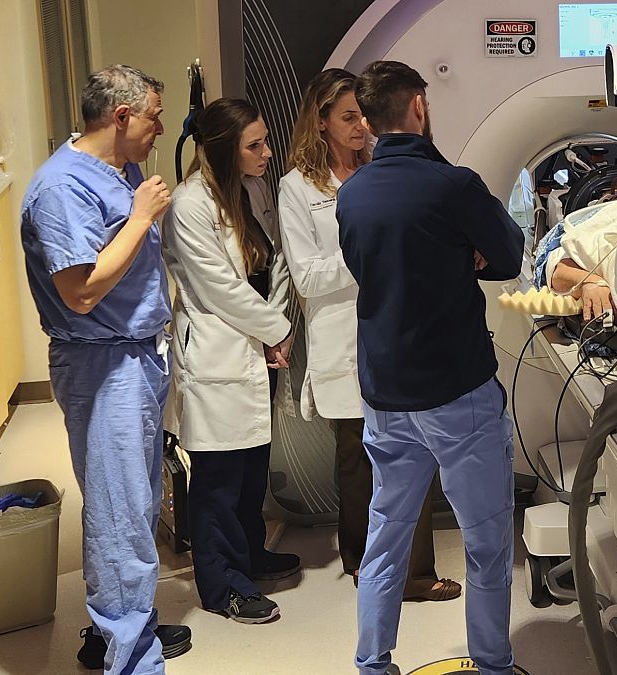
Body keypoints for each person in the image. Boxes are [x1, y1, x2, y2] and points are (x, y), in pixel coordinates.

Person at [338, 60, 524, 675]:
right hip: (456, 391)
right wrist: (461, 258)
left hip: (386, 393)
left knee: (386, 535)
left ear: (366, 119)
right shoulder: (453, 186)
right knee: (486, 542)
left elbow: (374, 269)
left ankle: (372, 662)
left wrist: (445, 258)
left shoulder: (353, 193)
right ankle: (492, 665)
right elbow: (508, 257)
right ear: (419, 105)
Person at [21, 64, 191, 674]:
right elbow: (82, 290)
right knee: (120, 514)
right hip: (102, 363)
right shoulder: (63, 188)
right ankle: (132, 659)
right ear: (120, 118)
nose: (161, 128)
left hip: (135, 356)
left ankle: (118, 630)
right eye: (153, 117)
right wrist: (143, 216)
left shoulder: (120, 170)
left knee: (137, 505)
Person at [277, 68, 460, 601]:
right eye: (349, 118)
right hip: (340, 336)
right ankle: (364, 564)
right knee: (357, 459)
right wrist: (371, 253)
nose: (361, 127)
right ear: (322, 122)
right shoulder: (297, 188)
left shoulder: (384, 167)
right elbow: (307, 275)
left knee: (414, 449)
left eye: (364, 115)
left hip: (397, 327)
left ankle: (417, 573)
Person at [162, 98, 300, 624]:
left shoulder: (256, 187)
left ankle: (251, 555)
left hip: (259, 347)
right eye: (255, 145)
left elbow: (277, 261)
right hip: (220, 351)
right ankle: (224, 587)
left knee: (251, 468)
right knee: (218, 478)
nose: (267, 152)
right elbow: (217, 287)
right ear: (223, 150)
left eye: (265, 141)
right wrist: (276, 329)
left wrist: (276, 333)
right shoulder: (189, 204)